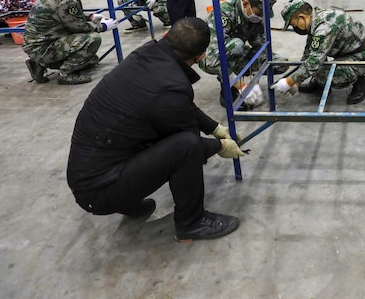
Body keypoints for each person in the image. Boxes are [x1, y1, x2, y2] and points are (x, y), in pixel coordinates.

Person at [66, 18, 246, 242]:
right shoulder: (172, 89)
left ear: (165, 37)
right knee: (187, 145)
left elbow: (177, 104)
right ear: (200, 58)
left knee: (154, 131)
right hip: (98, 191)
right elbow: (189, 143)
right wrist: (220, 146)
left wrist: (215, 128)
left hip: (89, 173)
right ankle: (191, 223)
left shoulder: (147, 55)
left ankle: (125, 201)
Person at [23, 0, 119, 85]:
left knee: (91, 60)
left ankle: (38, 63)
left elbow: (64, 15)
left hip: (37, 43)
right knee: (92, 40)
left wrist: (90, 17)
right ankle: (65, 74)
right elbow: (79, 27)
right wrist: (103, 26)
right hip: (43, 47)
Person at [273, 0, 365, 104]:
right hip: (349, 52)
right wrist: (298, 81)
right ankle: (319, 84)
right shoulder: (315, 20)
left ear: (302, 17)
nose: (295, 28)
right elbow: (309, 53)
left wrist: (289, 81)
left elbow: (314, 62)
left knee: (321, 74)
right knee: (312, 67)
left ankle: (360, 82)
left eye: (294, 24)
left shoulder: (324, 27)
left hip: (364, 56)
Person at [199, 0, 281, 108]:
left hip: (238, 53)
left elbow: (260, 48)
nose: (260, 17)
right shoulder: (223, 14)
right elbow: (212, 57)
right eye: (259, 13)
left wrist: (255, 81)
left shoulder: (255, 18)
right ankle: (227, 87)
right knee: (236, 45)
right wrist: (241, 86)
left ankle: (242, 77)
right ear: (246, 4)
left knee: (278, 62)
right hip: (210, 57)